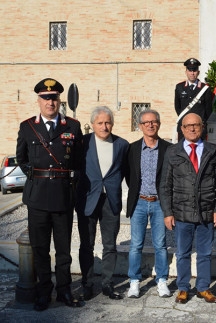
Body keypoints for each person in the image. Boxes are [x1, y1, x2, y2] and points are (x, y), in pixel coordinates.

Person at [16, 78, 83, 311]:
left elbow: (79, 162)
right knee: (40, 250)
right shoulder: (27, 127)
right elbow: (22, 159)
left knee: (63, 251)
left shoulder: (72, 126)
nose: (50, 102)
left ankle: (64, 290)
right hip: (37, 199)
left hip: (63, 198)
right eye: (45, 98)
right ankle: (43, 293)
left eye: (53, 98)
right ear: (39, 101)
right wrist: (36, 178)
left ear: (59, 100)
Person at [159, 113, 216, 304]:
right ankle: (183, 288)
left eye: (196, 125)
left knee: (205, 253)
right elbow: (165, 185)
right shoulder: (172, 151)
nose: (192, 129)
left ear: (202, 127)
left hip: (206, 212)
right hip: (181, 213)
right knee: (183, 253)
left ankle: (203, 288)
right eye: (188, 126)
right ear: (182, 129)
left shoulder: (213, 150)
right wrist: (168, 213)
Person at [76, 106, 129, 301]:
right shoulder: (83, 143)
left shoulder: (122, 145)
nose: (104, 126)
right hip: (88, 199)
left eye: (108, 122)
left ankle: (107, 284)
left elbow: (124, 171)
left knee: (110, 246)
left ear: (112, 124)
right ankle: (87, 284)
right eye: (100, 123)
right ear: (92, 124)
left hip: (111, 200)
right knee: (86, 245)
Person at [126, 110, 172, 298]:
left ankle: (161, 280)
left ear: (159, 124)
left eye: (154, 121)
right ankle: (134, 282)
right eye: (146, 122)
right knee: (135, 244)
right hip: (139, 202)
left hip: (160, 204)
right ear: (140, 126)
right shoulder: (132, 149)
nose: (150, 125)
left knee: (160, 244)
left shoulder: (169, 149)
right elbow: (129, 176)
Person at [174, 58, 213, 140]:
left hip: (199, 128)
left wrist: (199, 122)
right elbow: (177, 107)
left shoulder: (205, 89)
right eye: (190, 70)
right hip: (184, 128)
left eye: (194, 70)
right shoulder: (179, 87)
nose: (192, 73)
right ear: (186, 72)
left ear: (198, 72)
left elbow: (208, 109)